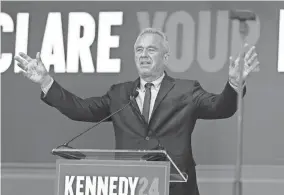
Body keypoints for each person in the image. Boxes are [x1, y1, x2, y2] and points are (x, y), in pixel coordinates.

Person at [14, 28, 259, 195]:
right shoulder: (119, 93)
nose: (143, 55)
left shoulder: (185, 90)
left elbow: (221, 107)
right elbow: (80, 109)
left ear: (166, 56)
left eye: (151, 50)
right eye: (139, 50)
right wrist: (46, 81)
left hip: (175, 188)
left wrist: (235, 84)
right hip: (128, 186)